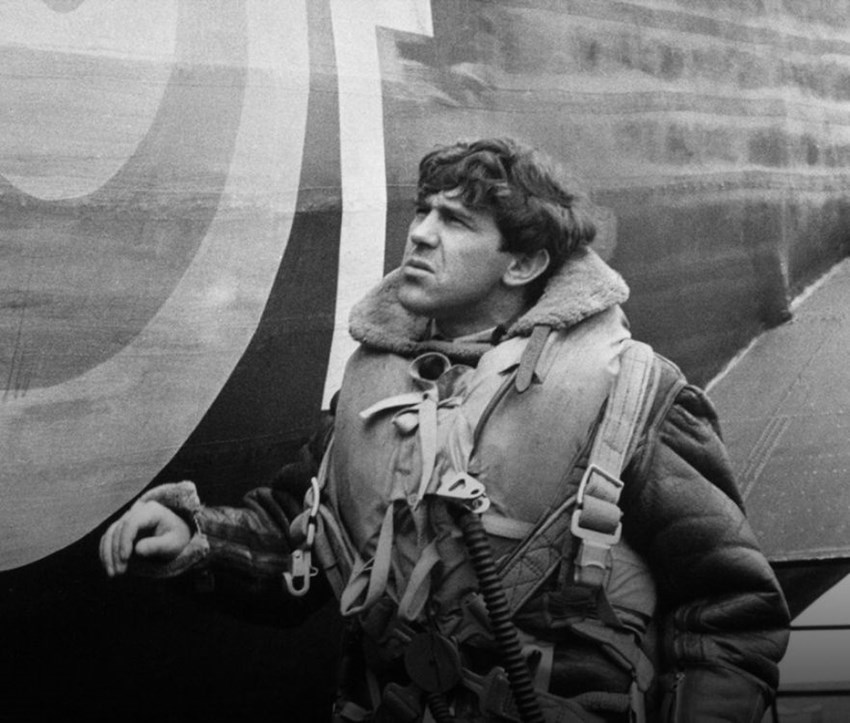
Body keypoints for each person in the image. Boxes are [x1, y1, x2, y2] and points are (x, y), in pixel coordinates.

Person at [100, 137, 790, 722]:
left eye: (455, 221)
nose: (421, 233)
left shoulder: (633, 396)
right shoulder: (374, 388)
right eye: (423, 210)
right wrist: (198, 539)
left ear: (523, 263)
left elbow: (731, 605)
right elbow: (300, 537)